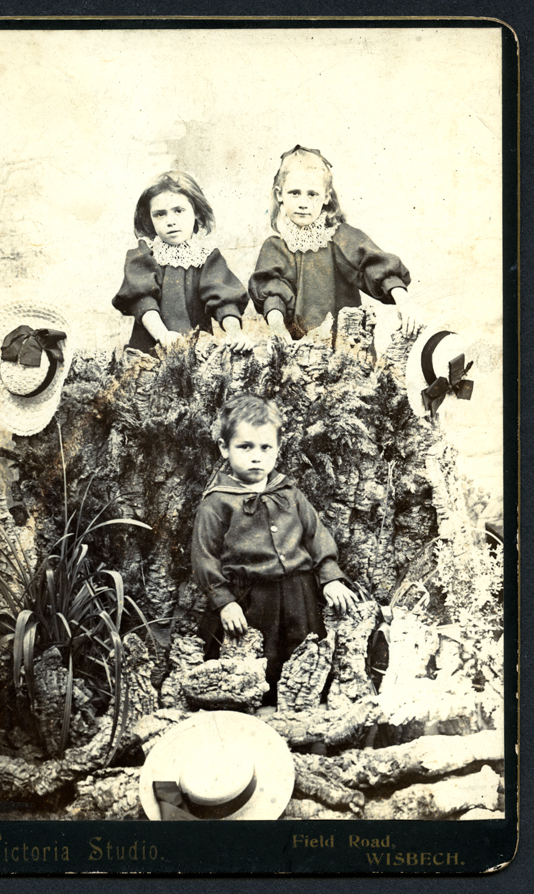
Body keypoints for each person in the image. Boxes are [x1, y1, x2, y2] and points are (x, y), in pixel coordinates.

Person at [191, 393, 358, 703]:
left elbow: (315, 534)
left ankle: (300, 711)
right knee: (252, 665)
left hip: (298, 596)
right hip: (251, 600)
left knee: (303, 659)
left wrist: (330, 576)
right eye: (245, 447)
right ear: (224, 449)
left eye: (265, 447)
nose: (256, 457)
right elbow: (204, 557)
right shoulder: (217, 502)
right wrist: (225, 602)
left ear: (278, 451)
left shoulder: (289, 493)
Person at [249, 145, 417, 346]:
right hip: (297, 348)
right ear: (279, 194)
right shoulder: (275, 247)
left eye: (312, 194)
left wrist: (404, 302)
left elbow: (373, 266)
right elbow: (272, 293)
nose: (303, 203)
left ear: (326, 196)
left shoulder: (339, 237)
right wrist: (278, 330)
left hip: (344, 347)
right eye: (294, 193)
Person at [113, 171, 251, 354]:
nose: (170, 221)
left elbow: (223, 300)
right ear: (149, 219)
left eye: (179, 211)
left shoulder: (207, 257)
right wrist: (163, 335)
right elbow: (143, 301)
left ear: (197, 214)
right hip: (152, 349)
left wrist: (235, 334)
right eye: (160, 214)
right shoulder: (145, 255)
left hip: (196, 351)